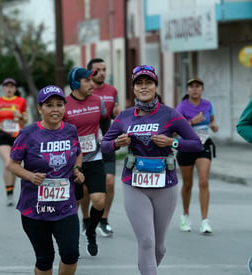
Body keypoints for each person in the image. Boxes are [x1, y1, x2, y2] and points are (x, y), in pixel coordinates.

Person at [101, 65, 202, 275]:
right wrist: (116, 144)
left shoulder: (170, 114)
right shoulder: (125, 116)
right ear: (134, 88)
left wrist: (172, 142)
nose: (144, 87)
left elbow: (195, 143)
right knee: (146, 241)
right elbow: (103, 145)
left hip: (165, 184)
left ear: (156, 86)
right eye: (139, 83)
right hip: (134, 183)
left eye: (148, 82)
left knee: (159, 247)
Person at [7, 85, 84, 275]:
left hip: (65, 206)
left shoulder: (70, 130)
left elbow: (78, 153)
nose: (55, 109)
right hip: (35, 209)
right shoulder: (28, 133)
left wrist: (76, 169)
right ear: (40, 108)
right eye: (49, 105)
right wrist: (30, 176)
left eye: (59, 105)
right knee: (44, 258)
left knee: (70, 253)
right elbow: (12, 164)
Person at [64, 67, 107, 257]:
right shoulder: (64, 104)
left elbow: (105, 122)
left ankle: (91, 229)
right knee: (74, 203)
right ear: (75, 83)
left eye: (92, 80)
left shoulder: (98, 101)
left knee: (99, 201)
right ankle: (72, 241)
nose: (92, 84)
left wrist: (107, 140)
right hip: (72, 162)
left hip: (94, 157)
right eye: (87, 80)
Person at [80, 57, 121, 237]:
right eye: (98, 70)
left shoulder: (112, 91)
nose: (102, 73)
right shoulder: (82, 93)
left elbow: (114, 112)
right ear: (90, 73)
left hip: (106, 142)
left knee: (109, 181)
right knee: (86, 188)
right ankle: (86, 218)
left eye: (104, 69)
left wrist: (117, 115)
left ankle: (103, 220)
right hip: (86, 147)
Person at [176, 77, 219, 234]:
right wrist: (193, 122)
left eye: (198, 86)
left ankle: (204, 220)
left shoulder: (208, 105)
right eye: (191, 86)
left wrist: (213, 126)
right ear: (187, 90)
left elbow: (212, 120)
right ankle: (185, 215)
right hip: (186, 145)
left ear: (202, 89)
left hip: (203, 144)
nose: (194, 89)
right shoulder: (181, 107)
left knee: (204, 181)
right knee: (187, 184)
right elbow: (175, 129)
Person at [0, 78, 28, 206]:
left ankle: (11, 191)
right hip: (2, 135)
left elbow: (25, 119)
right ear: (3, 88)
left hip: (17, 136)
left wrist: (20, 115)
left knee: (13, 164)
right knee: (8, 162)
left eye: (11, 86)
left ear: (15, 88)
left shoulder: (21, 101)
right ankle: (9, 195)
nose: (9, 88)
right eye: (7, 86)